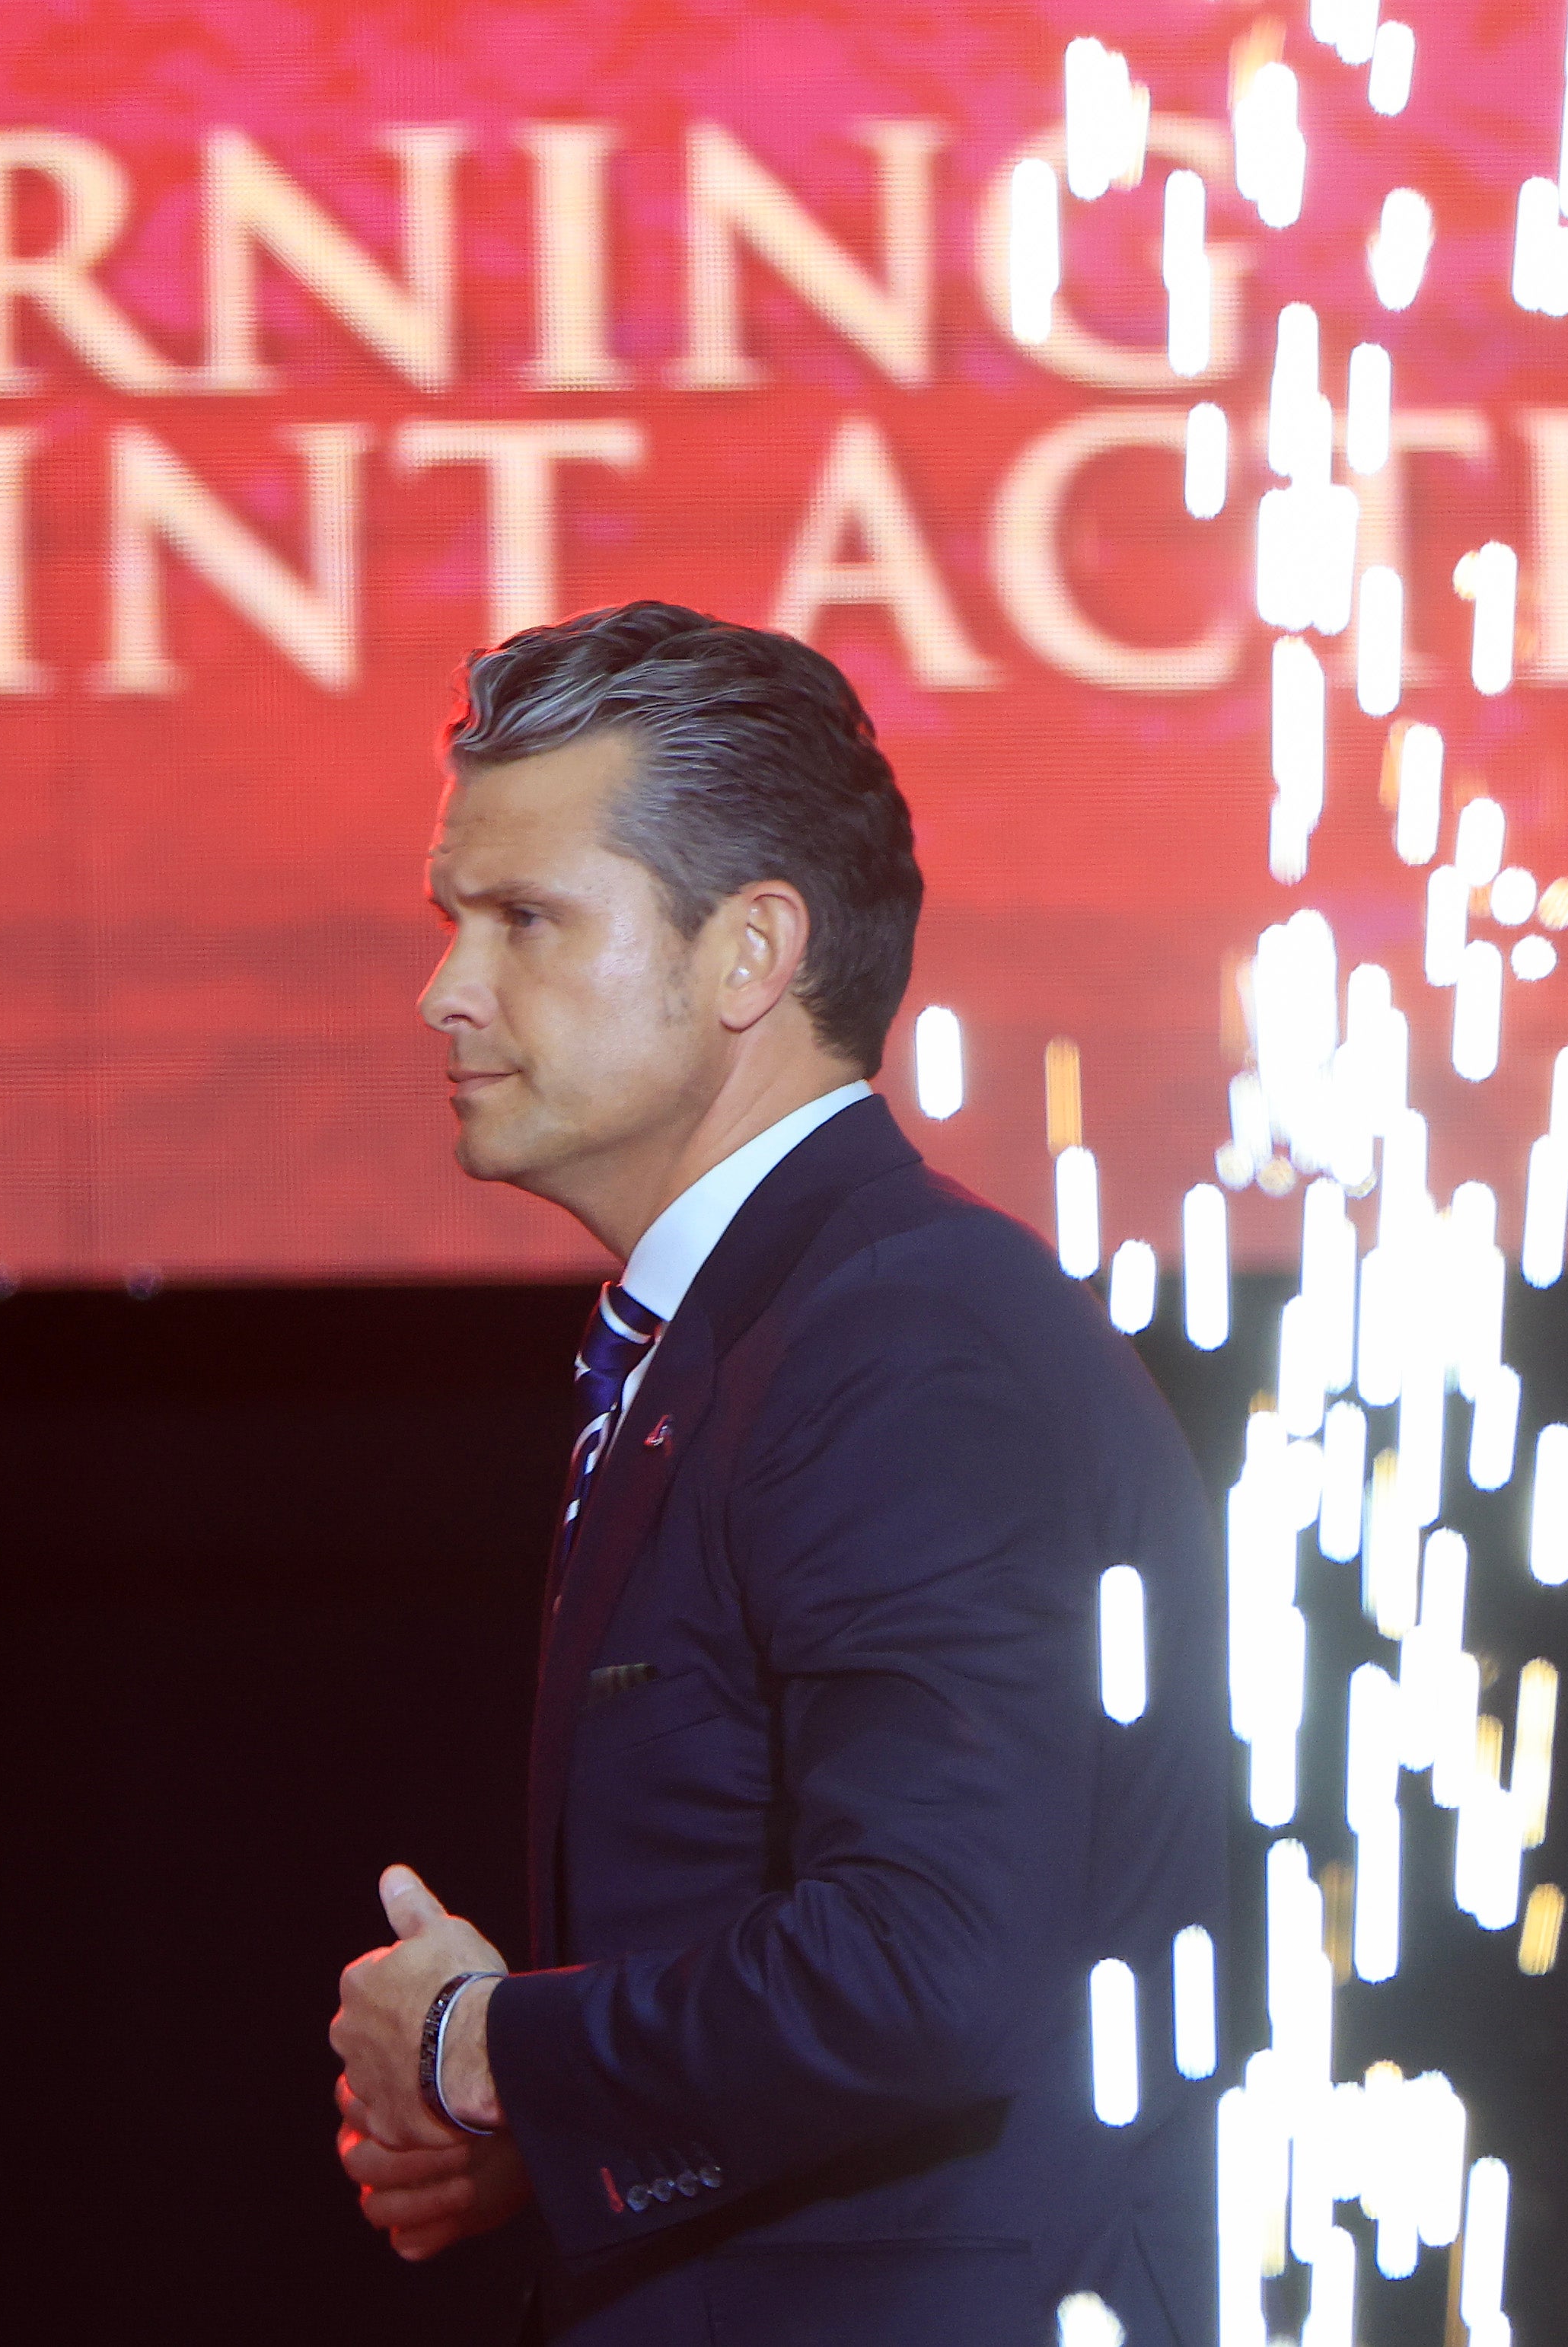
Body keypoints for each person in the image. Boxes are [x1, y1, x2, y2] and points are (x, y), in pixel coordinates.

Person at [325, 603, 1228, 2344]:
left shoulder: (900, 1342)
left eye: (522, 921)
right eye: (455, 921)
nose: (443, 988)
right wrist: (558, 2122)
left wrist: (483, 2048)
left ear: (749, 958)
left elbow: (928, 1975)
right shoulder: (781, 1326)